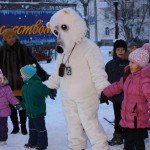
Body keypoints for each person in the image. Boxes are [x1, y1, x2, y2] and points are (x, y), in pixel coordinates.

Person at [46, 8, 110, 150]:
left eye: (63, 28)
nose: (60, 34)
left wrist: (103, 89)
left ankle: (101, 147)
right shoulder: (64, 49)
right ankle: (77, 147)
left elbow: (97, 71)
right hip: (68, 95)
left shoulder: (89, 47)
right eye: (57, 31)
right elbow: (58, 69)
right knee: (72, 125)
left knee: (90, 123)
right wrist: (52, 85)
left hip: (86, 95)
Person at [0, 28, 50, 135]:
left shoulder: (23, 49)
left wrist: (43, 75)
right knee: (12, 107)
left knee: (21, 106)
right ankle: (15, 127)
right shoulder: (1, 51)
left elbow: (33, 63)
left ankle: (23, 126)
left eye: (13, 36)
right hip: (8, 85)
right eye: (9, 37)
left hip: (22, 84)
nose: (12, 39)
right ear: (5, 39)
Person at [102, 48, 150, 150]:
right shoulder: (128, 76)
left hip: (137, 119)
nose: (130, 64)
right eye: (130, 62)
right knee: (128, 143)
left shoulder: (144, 80)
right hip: (127, 118)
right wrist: (105, 93)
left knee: (137, 144)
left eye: (133, 62)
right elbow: (118, 86)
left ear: (141, 64)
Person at [101, 39, 129, 146]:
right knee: (117, 117)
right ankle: (118, 135)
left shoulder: (129, 63)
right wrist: (104, 94)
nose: (120, 51)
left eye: (122, 49)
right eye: (118, 49)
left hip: (128, 97)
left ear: (126, 50)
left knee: (127, 117)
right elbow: (106, 79)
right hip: (115, 97)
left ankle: (129, 135)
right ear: (115, 50)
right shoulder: (110, 64)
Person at [20, 64, 50, 150]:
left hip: (38, 111)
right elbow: (24, 100)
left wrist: (51, 91)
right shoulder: (24, 87)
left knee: (40, 129)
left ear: (28, 75)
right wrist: (20, 105)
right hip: (30, 113)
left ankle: (42, 144)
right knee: (32, 128)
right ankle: (32, 142)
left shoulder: (37, 84)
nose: (21, 76)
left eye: (22, 74)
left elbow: (46, 90)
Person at [0, 69, 22, 146]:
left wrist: (17, 104)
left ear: (2, 78)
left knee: (3, 126)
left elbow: (11, 97)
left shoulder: (6, 88)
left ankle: (2, 139)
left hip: (3, 111)